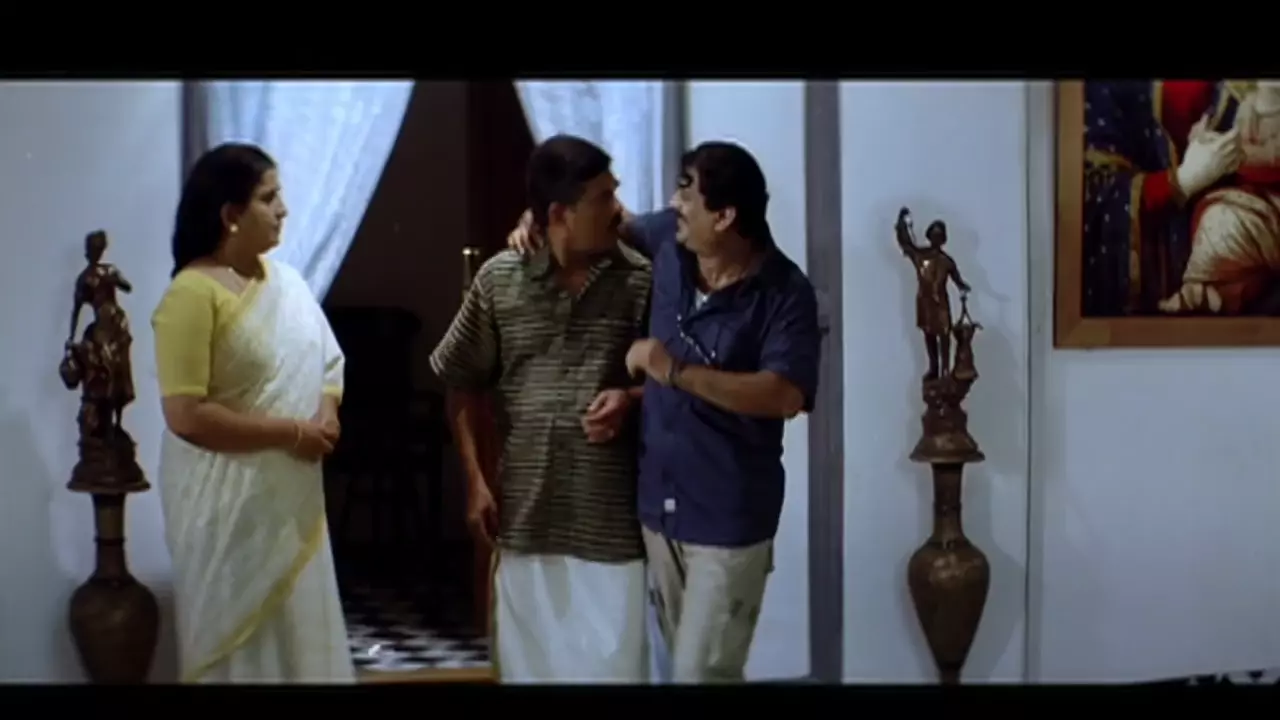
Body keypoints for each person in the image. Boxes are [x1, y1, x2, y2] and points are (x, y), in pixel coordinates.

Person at [507, 141, 822, 683]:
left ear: (724, 217)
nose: (674, 203)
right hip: (659, 511)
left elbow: (783, 395)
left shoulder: (785, 293)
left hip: (726, 520)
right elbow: (606, 221)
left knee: (701, 674)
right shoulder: (669, 244)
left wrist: (671, 368)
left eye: (687, 192)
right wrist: (539, 219)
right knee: (687, 668)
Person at [430, 134, 653, 683]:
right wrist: (475, 482)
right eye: (603, 197)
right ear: (559, 213)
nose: (619, 209)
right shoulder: (499, 280)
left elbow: (676, 385)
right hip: (525, 520)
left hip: (612, 528)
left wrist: (631, 400)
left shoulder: (641, 280)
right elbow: (460, 382)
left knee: (613, 672)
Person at [150, 142, 354, 684]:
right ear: (231, 215)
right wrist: (292, 432)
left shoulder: (287, 284)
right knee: (239, 650)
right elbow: (185, 415)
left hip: (290, 503)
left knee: (299, 638)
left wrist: (326, 414)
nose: (283, 209)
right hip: (227, 512)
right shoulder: (190, 296)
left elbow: (328, 360)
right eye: (269, 197)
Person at [1160, 80, 1280, 314]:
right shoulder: (1247, 106)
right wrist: (1204, 140)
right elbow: (1232, 143)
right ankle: (1202, 292)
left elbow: (1269, 158)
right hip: (1256, 206)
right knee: (1220, 222)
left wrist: (1234, 157)